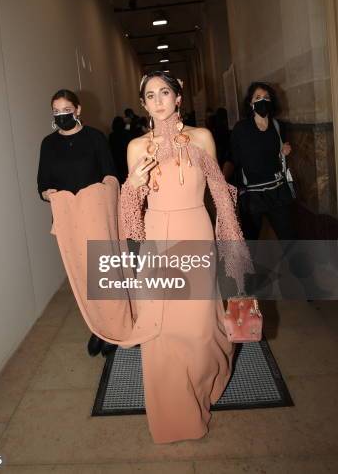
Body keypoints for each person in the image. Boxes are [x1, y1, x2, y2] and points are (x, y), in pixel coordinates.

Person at [118, 70, 253, 444]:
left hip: (196, 232)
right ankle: (174, 417)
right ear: (144, 103)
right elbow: (129, 210)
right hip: (156, 239)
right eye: (150, 95)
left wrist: (233, 243)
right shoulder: (135, 147)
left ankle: (203, 386)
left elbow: (220, 193)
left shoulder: (202, 138)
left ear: (178, 98)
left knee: (199, 329)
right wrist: (134, 185)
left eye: (165, 92)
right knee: (162, 332)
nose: (158, 99)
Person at [37, 89, 118, 357]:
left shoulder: (95, 137)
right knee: (82, 277)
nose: (62, 116)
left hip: (96, 218)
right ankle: (97, 329)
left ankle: (113, 328)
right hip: (68, 221)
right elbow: (42, 184)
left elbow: (110, 174)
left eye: (66, 110)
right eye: (56, 112)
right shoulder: (48, 144)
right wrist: (48, 194)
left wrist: (98, 194)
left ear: (78, 110)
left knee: (103, 275)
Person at [225, 82, 294, 241]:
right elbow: (232, 158)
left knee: (290, 239)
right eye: (258, 97)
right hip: (252, 195)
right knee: (251, 243)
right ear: (251, 102)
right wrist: (223, 181)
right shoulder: (241, 129)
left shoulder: (278, 126)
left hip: (277, 191)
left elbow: (280, 151)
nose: (262, 100)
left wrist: (284, 151)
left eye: (266, 97)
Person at [108, 116, 130, 184]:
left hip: (116, 158)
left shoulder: (111, 135)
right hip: (125, 157)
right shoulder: (127, 134)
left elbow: (110, 148)